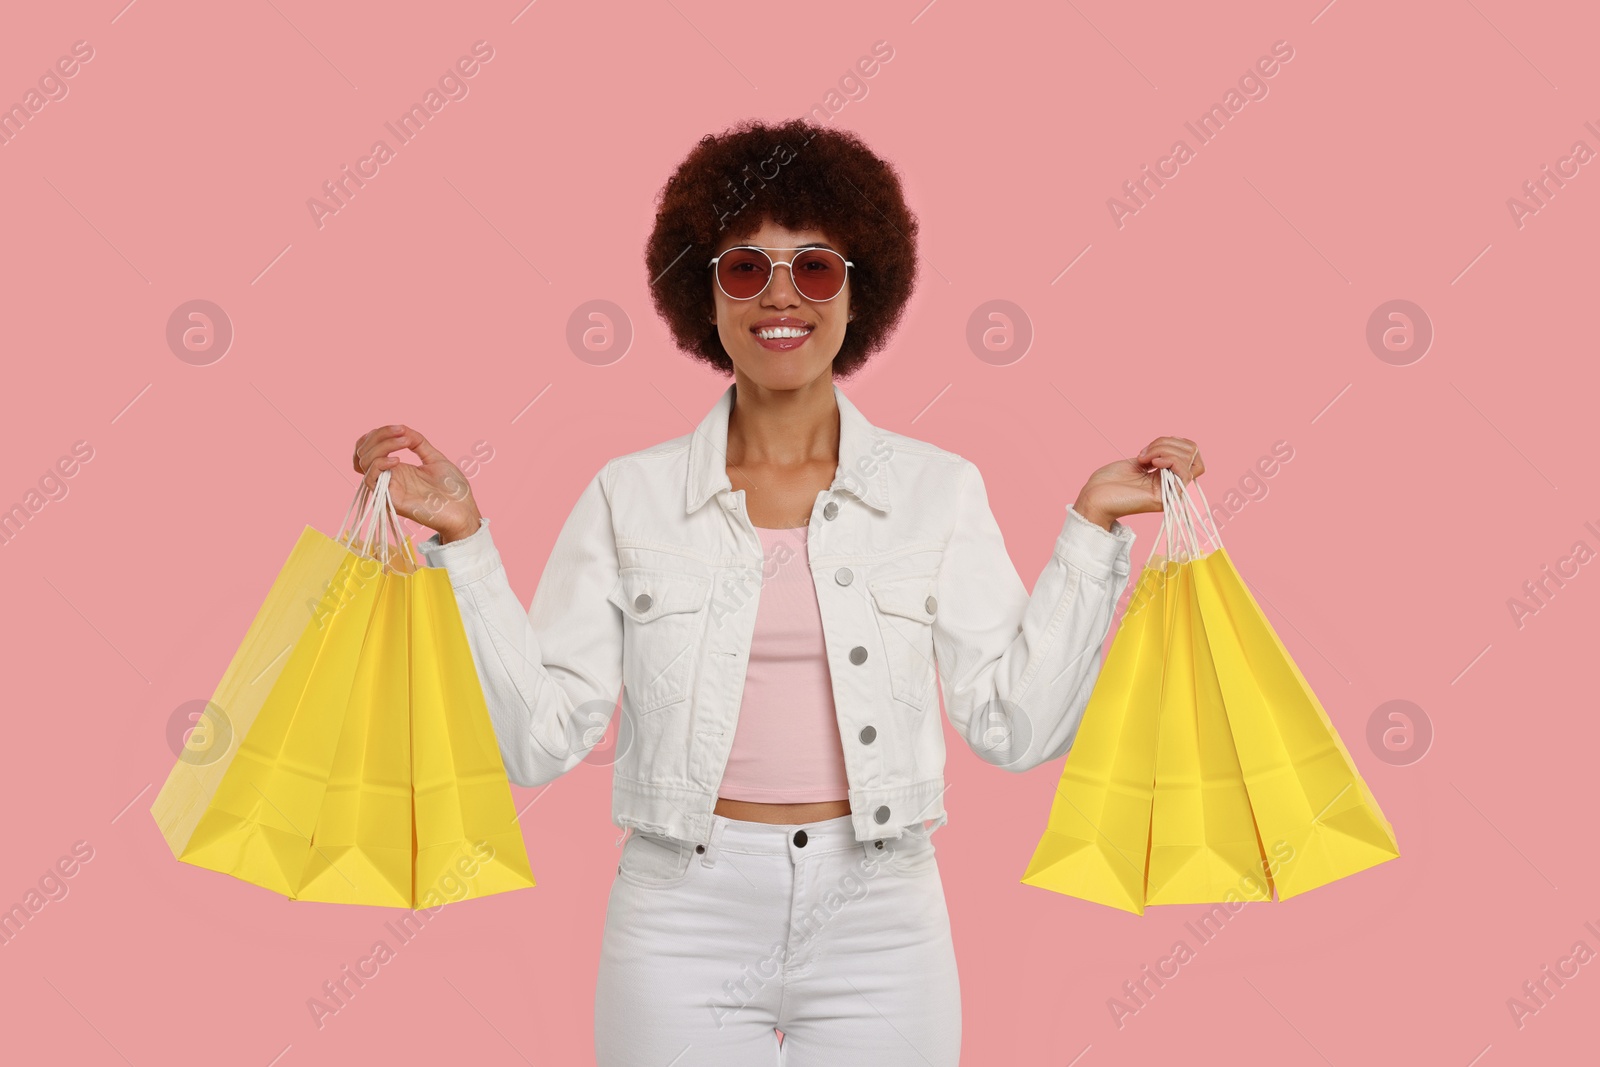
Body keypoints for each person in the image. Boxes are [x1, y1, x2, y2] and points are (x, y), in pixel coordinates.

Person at [349, 118, 1204, 1066]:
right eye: (746, 268)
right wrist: (464, 543)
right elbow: (537, 739)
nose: (782, 296)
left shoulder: (940, 490)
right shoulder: (628, 497)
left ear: (859, 291)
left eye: (818, 268)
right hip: (681, 916)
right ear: (703, 295)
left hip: (883, 915)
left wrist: (1091, 533)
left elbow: (1017, 726)